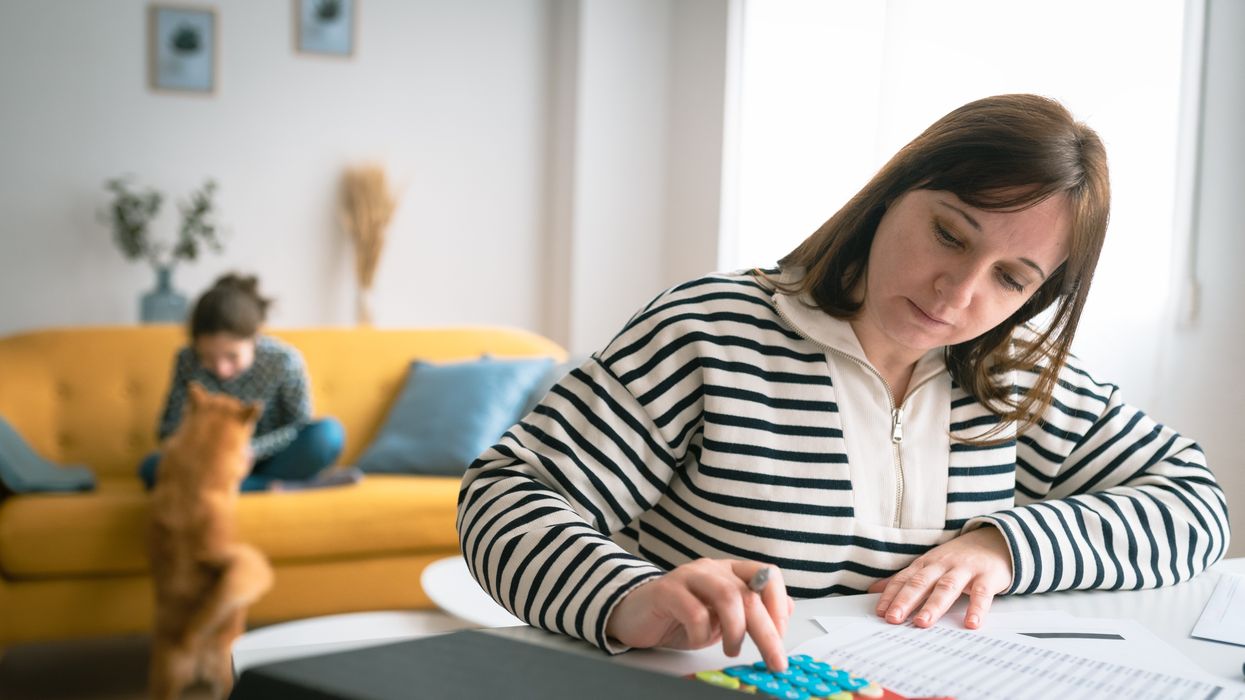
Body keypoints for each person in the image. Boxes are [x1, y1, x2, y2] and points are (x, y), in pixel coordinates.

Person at [456, 95, 1230, 672]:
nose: (956, 295)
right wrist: (627, 597)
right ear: (890, 194)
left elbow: (1195, 506)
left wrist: (1005, 547)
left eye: (1010, 279)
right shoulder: (712, 332)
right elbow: (504, 497)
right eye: (948, 234)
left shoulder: (1016, 381)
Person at [139, 273, 349, 492]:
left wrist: (250, 450)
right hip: (209, 464)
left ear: (255, 339)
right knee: (151, 467)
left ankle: (238, 486)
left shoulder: (284, 361)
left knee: (327, 435)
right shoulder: (186, 360)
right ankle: (276, 488)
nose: (221, 369)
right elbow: (168, 431)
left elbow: (299, 426)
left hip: (273, 461)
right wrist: (210, 452)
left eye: (232, 356)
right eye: (208, 357)